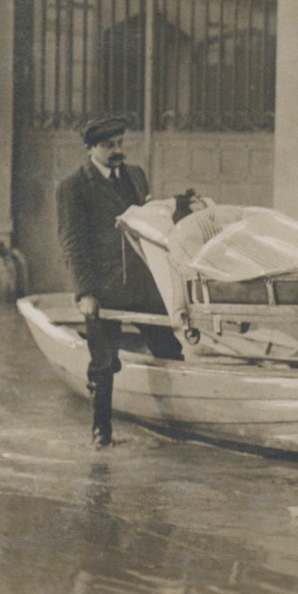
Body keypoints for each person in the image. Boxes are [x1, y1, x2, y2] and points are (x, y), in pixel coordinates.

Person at [56, 115, 189, 447]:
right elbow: (72, 243)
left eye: (119, 144)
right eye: (107, 146)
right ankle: (102, 433)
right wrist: (86, 292)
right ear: (90, 149)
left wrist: (180, 208)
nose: (117, 151)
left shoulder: (134, 176)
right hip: (104, 288)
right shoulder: (73, 186)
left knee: (170, 349)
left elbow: (151, 223)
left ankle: (177, 423)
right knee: (103, 362)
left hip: (144, 283)